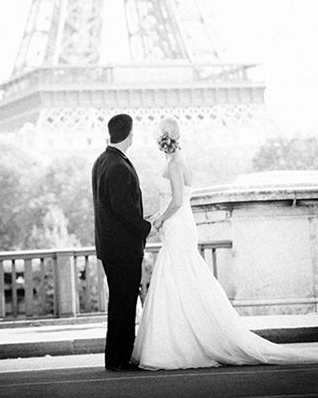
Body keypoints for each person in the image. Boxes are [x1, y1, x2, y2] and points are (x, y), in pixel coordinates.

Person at [131, 117, 318, 370]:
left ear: (163, 136)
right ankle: (189, 335)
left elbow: (176, 201)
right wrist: (159, 216)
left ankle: (181, 341)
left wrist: (159, 221)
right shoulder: (177, 160)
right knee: (182, 279)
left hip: (177, 223)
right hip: (179, 223)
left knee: (178, 276)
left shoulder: (175, 163)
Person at [92, 113, 152, 371]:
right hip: (123, 247)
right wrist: (145, 227)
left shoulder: (102, 161)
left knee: (119, 302)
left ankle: (114, 357)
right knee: (125, 303)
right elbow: (123, 208)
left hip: (110, 245)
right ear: (130, 135)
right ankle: (119, 358)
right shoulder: (118, 165)